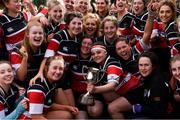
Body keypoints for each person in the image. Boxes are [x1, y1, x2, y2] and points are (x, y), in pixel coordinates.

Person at [31, 11, 83, 107]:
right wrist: (40, 73)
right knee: (67, 110)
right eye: (74, 23)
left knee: (73, 108)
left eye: (79, 23)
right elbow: (47, 57)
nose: (77, 26)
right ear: (68, 25)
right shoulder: (59, 37)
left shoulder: (77, 39)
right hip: (54, 78)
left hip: (64, 77)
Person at [108, 51, 171, 119]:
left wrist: (139, 108)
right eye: (141, 65)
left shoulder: (157, 84)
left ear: (153, 66)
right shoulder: (146, 78)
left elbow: (159, 112)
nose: (143, 68)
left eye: (146, 65)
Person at [86, 41, 123, 118]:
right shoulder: (96, 64)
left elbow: (112, 85)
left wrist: (94, 89)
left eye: (99, 52)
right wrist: (90, 84)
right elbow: (90, 84)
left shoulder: (112, 63)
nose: (96, 55)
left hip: (124, 94)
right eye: (93, 54)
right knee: (93, 111)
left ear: (105, 53)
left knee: (110, 105)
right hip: (105, 95)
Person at [10, 20, 47, 88]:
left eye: (40, 33)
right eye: (34, 33)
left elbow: (48, 58)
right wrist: (25, 58)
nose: (38, 36)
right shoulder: (17, 50)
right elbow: (21, 77)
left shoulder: (45, 46)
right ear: (27, 34)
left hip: (39, 82)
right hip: (22, 86)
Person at [70, 36, 94, 119]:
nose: (86, 46)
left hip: (89, 92)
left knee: (95, 111)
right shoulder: (73, 56)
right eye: (84, 43)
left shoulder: (95, 58)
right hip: (75, 92)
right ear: (80, 44)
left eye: (89, 44)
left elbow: (92, 82)